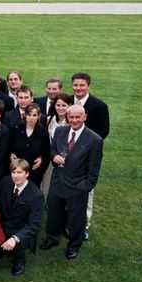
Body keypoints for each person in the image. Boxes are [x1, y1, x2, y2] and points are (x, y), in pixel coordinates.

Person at [41, 104, 103, 260]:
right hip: (57, 181)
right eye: (71, 117)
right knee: (54, 213)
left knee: (76, 218)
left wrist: (85, 187)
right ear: (67, 117)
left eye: (77, 117)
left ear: (84, 117)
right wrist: (54, 157)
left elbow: (94, 169)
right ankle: (52, 239)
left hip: (77, 186)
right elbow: (53, 150)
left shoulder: (94, 139)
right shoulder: (60, 131)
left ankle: (74, 246)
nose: (74, 120)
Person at [0, 159, 44, 277]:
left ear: (27, 174)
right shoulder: (6, 182)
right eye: (13, 172)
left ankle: (19, 262)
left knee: (17, 244)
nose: (16, 176)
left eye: (19, 172)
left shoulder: (36, 195)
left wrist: (15, 238)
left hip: (21, 230)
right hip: (4, 225)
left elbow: (34, 225)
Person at [8, 103, 50, 187]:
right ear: (25, 115)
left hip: (34, 175)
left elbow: (47, 155)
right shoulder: (15, 130)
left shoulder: (43, 133)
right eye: (29, 114)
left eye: (34, 115)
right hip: (16, 174)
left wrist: (39, 172)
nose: (31, 118)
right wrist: (10, 154)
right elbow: (8, 148)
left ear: (39, 116)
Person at [41, 93, 71, 196]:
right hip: (51, 157)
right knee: (48, 185)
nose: (60, 108)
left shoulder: (72, 121)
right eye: (58, 105)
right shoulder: (49, 120)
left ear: (69, 105)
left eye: (64, 105)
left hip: (67, 159)